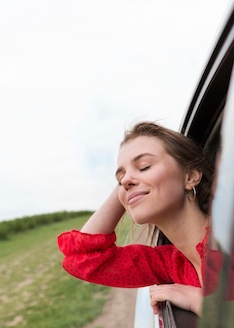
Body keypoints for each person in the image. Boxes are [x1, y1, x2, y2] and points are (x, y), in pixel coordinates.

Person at [57, 121, 214, 317]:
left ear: (190, 176)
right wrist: (128, 184)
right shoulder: (172, 262)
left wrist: (198, 301)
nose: (124, 181)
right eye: (119, 179)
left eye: (144, 166)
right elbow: (82, 259)